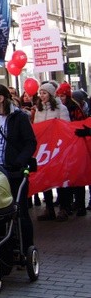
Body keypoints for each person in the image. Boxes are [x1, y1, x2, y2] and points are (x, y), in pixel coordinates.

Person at [0, 84, 36, 251]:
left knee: (21, 211)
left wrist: (19, 161)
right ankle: (4, 247)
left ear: (1, 98)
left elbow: (30, 142)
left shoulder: (19, 117)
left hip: (15, 171)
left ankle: (26, 248)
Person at [33, 82, 70, 222]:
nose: (41, 96)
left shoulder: (61, 108)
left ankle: (64, 208)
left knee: (60, 178)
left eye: (44, 93)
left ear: (51, 94)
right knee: (45, 178)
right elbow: (37, 128)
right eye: (40, 93)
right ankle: (49, 208)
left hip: (57, 148)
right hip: (44, 148)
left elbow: (65, 127)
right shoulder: (39, 109)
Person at [56, 82, 87, 217]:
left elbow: (80, 123)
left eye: (63, 96)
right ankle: (68, 204)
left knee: (77, 175)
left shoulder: (74, 106)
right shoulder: (58, 107)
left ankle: (80, 205)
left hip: (74, 143)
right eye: (59, 96)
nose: (61, 98)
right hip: (63, 145)